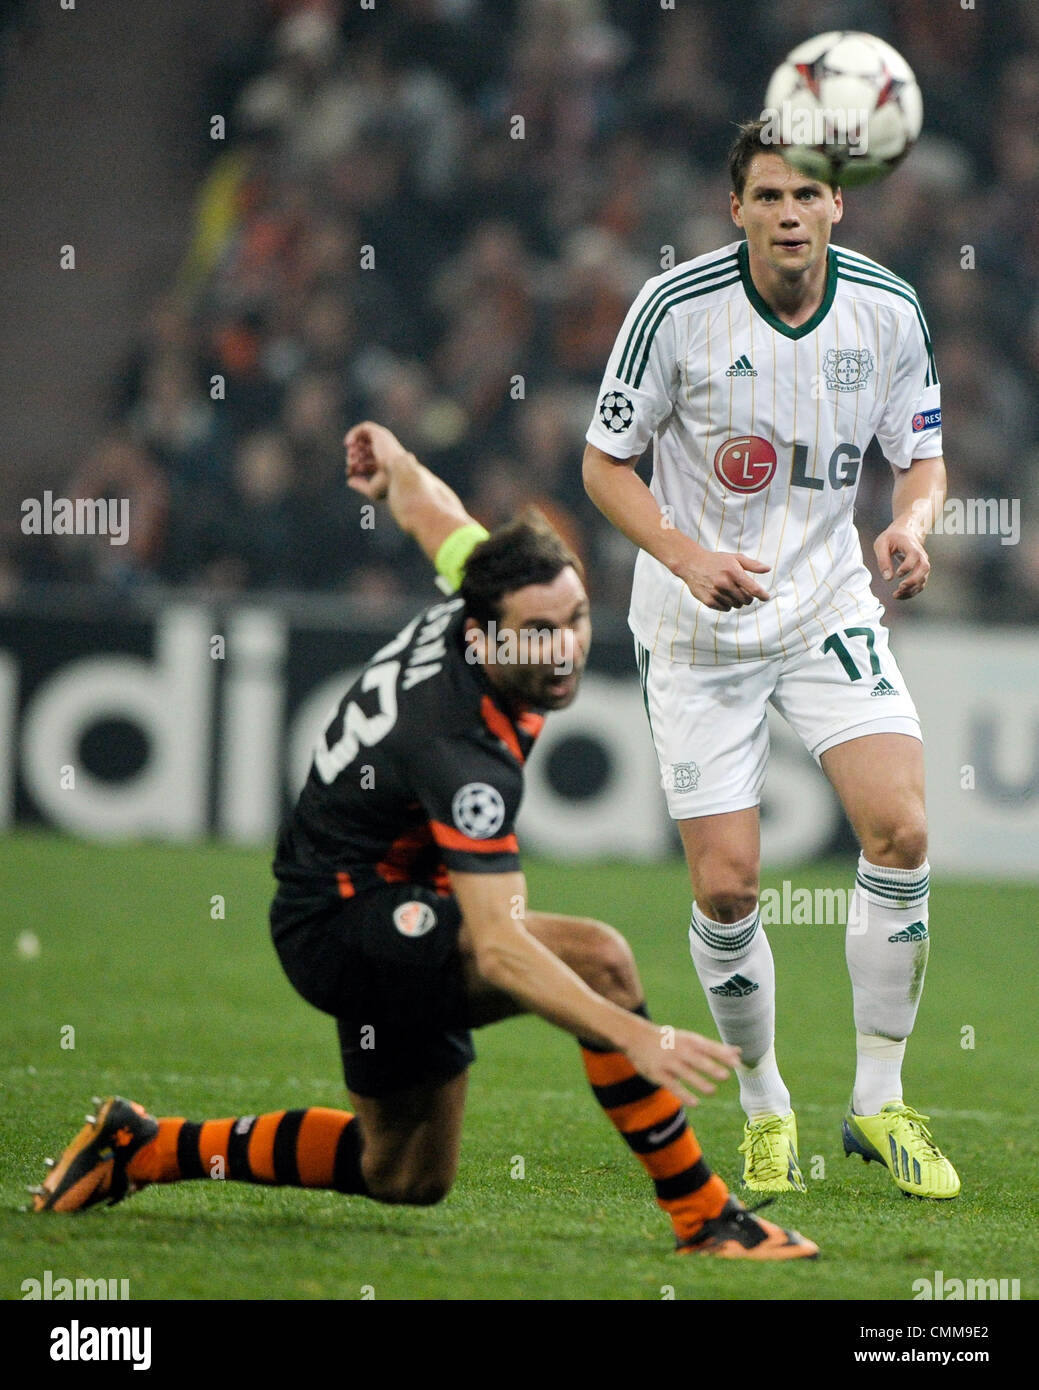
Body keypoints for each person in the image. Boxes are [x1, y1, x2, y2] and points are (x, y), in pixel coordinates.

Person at [32, 420, 818, 1259]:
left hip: (375, 903)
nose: (564, 650)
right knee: (600, 960)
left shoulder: (484, 590)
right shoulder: (460, 752)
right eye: (538, 632)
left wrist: (394, 465)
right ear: (480, 636)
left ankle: (145, 1147)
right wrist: (629, 1033)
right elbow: (503, 948)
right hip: (346, 925)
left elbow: (431, 512)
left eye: (577, 618)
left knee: (403, 1172)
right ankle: (705, 1218)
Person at [582, 119, 959, 1200]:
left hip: (825, 599)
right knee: (730, 884)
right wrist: (683, 554)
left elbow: (920, 455)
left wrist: (911, 525)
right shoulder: (674, 310)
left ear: (839, 205)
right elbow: (604, 462)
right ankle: (762, 1106)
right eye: (768, 197)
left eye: (808, 196)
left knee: (902, 825)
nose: (790, 213)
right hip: (698, 621)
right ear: (733, 208)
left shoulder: (886, 309)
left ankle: (878, 1101)